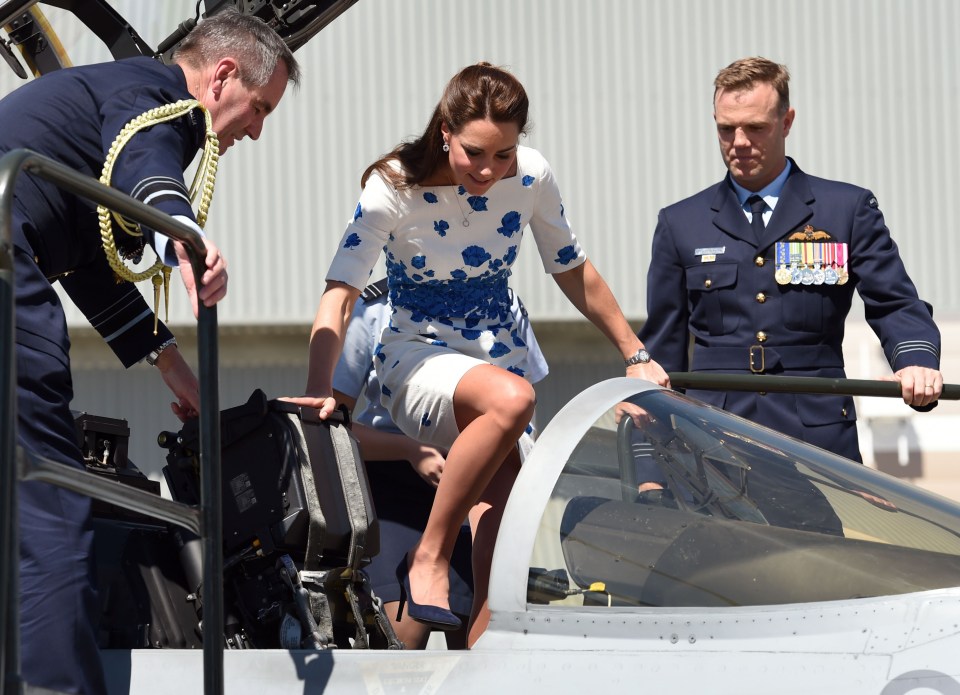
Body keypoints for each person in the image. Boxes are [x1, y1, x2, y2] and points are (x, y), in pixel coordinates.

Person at [287, 62, 667, 647]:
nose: (489, 170)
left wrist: (634, 351)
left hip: (498, 347)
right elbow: (339, 294)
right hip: (416, 356)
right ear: (445, 129)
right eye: (474, 153)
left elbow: (572, 268)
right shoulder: (393, 185)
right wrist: (319, 384)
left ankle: (482, 657)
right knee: (513, 400)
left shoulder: (532, 176)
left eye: (504, 154)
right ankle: (430, 557)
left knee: (503, 525)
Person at [1, 10, 299, 693]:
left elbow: (85, 258)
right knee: (48, 489)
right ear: (222, 76)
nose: (255, 129)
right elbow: (147, 162)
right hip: (2, 251)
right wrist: (183, 238)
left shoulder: (103, 99)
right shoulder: (156, 97)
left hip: (20, 238)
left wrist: (170, 365)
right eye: (259, 108)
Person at [638, 56, 942, 465]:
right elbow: (663, 351)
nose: (739, 142)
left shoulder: (845, 210)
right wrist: (651, 466)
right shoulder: (681, 223)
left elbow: (895, 304)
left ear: (786, 122)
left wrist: (916, 362)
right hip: (714, 442)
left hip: (816, 445)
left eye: (756, 127)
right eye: (726, 129)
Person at [334, 278, 548, 649]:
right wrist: (408, 450)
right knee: (404, 630)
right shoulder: (374, 308)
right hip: (396, 487)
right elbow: (333, 426)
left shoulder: (505, 303)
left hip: (480, 481)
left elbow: (525, 411)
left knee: (481, 636)